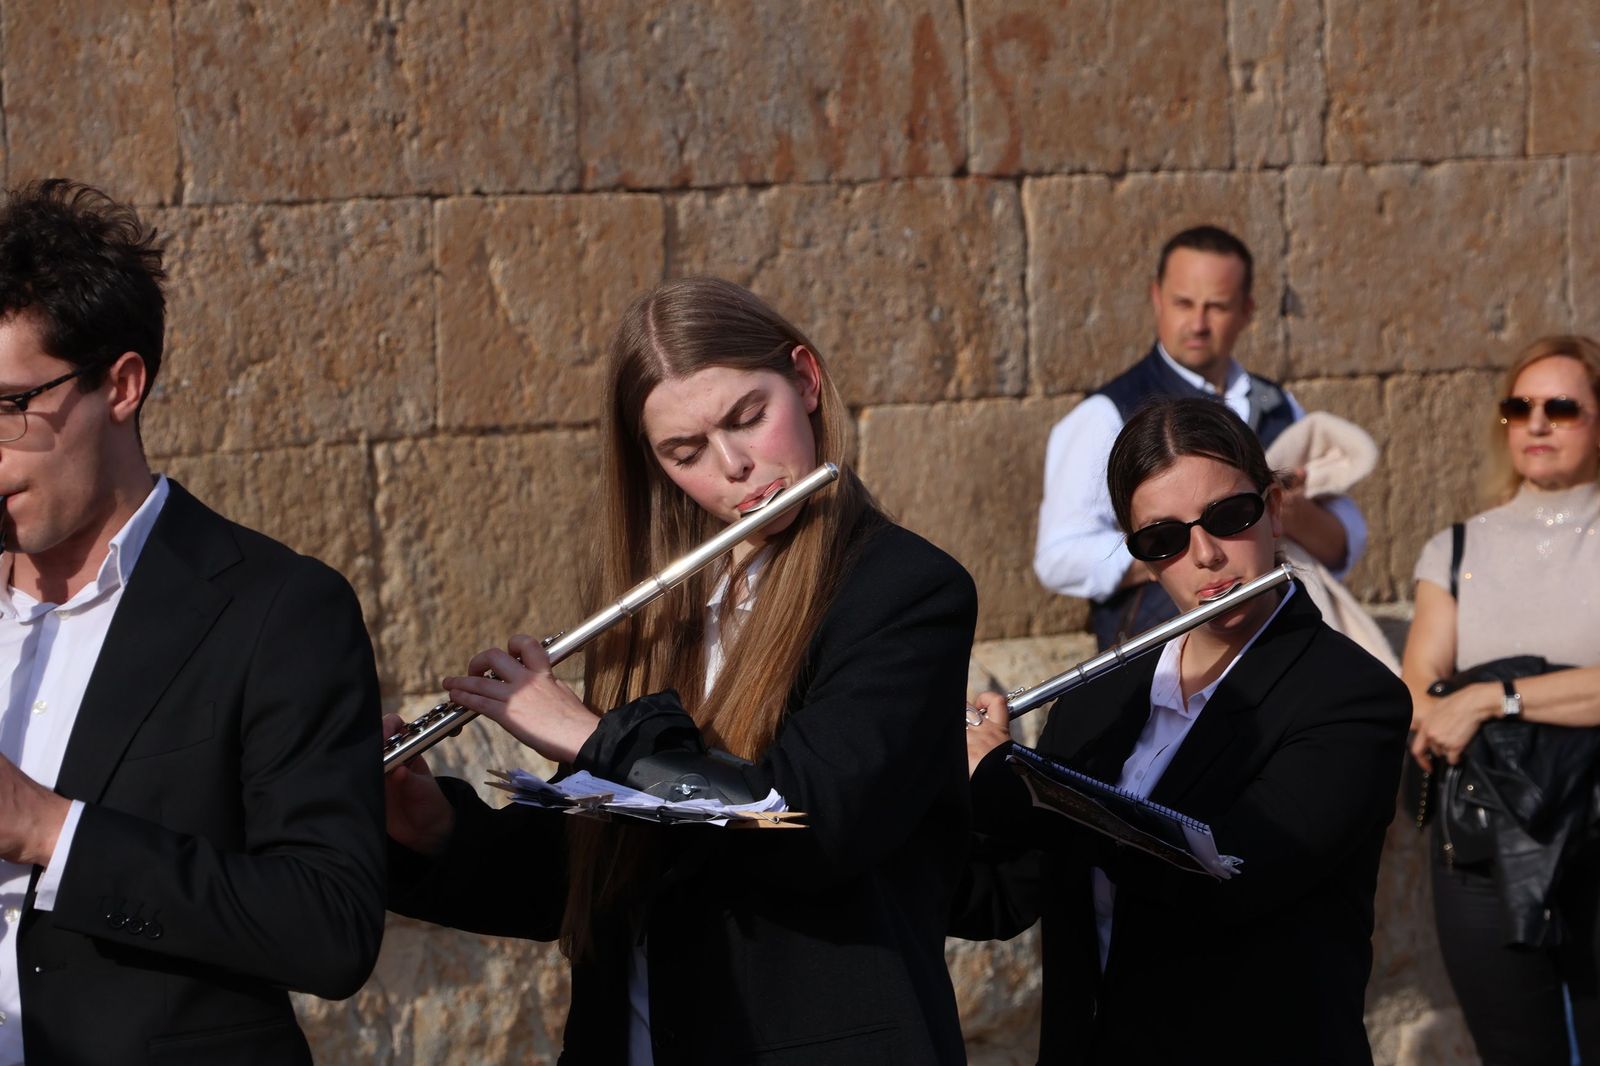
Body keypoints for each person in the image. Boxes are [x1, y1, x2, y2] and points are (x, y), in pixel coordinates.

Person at [386, 276, 978, 1064]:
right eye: (686, 451)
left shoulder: (903, 592)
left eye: (748, 417)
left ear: (805, 381)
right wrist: (438, 829)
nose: (734, 467)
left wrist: (597, 738)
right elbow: (608, 878)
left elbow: (801, 826)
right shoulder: (660, 612)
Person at [0, 179, 384, 1063]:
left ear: (123, 385)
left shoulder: (278, 610)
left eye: (12, 406)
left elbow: (330, 926)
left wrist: (51, 831)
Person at [955, 397, 1409, 1064]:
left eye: (1229, 517)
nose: (1204, 554)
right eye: (1163, 539)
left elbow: (1226, 873)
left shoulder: (1352, 698)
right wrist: (924, 781)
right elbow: (999, 901)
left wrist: (1014, 779)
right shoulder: (1096, 703)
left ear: (1274, 509)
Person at [1404, 336, 1600, 1066]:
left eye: (1562, 408)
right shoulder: (1456, 549)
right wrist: (1446, 704)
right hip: (1482, 832)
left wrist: (1494, 698)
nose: (1537, 423)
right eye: (1520, 407)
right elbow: (1418, 687)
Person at [1033, 225, 1368, 649]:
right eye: (1183, 303)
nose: (1198, 324)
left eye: (1217, 307)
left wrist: (1282, 512)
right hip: (1164, 652)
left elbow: (1345, 545)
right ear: (1156, 298)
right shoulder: (1106, 415)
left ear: (1246, 311)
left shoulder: (1279, 404)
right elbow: (1058, 557)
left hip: (1285, 638)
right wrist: (1170, 548)